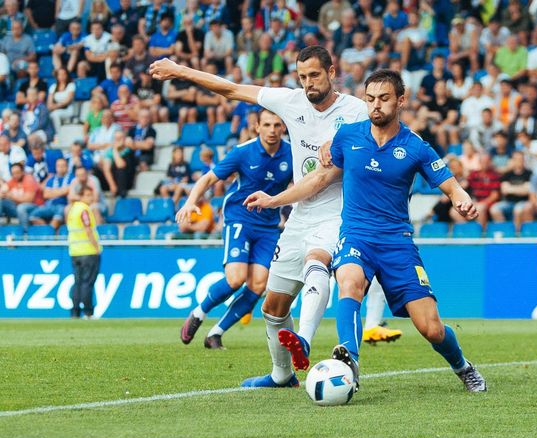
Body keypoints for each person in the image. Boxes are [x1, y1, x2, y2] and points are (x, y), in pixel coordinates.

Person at [150, 45, 397, 387]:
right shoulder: (291, 102)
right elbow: (231, 88)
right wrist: (180, 71)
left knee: (317, 260)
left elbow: (386, 137)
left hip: (339, 212)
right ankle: (282, 376)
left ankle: (306, 340)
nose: (309, 83)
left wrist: (346, 142)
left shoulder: (356, 111)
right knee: (273, 305)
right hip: (299, 213)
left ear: (331, 72)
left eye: (314, 75)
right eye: (302, 77)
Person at [246, 69, 486, 393]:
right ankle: (350, 363)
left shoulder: (415, 146)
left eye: (384, 99)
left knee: (431, 328)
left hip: (396, 243)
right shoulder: (347, 137)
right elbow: (319, 179)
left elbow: (450, 185)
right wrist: (275, 200)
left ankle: (463, 366)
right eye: (370, 98)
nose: (376, 105)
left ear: (401, 100)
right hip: (355, 234)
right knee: (349, 281)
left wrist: (462, 200)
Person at [176, 109, 292, 350]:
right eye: (267, 125)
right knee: (236, 278)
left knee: (259, 285)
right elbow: (208, 179)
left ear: (283, 128)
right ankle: (198, 313)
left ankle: (216, 333)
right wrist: (190, 202)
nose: (272, 130)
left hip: (269, 227)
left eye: (277, 125)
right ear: (257, 127)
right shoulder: (243, 152)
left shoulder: (291, 154)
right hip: (240, 218)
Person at [66, 185, 102, 319]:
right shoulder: (84, 210)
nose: (91, 198)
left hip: (74, 252)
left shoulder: (72, 210)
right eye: (88, 195)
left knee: (78, 282)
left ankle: (75, 312)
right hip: (88, 251)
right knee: (87, 283)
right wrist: (96, 247)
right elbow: (88, 230)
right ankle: (88, 312)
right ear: (81, 196)